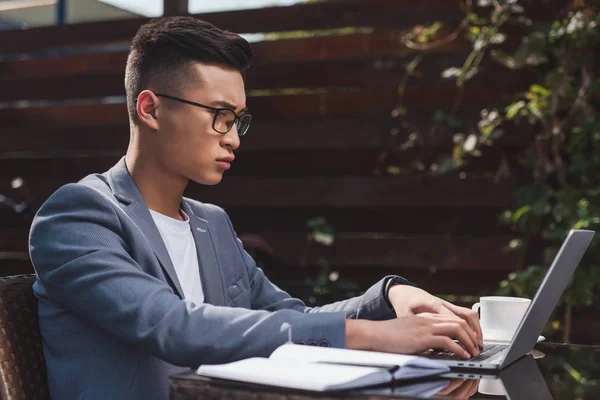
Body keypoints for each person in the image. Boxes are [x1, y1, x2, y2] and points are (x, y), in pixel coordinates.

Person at [29, 16, 483, 400]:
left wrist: (390, 299)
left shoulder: (212, 223)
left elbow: (296, 319)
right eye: (219, 116)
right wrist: (369, 337)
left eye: (238, 119)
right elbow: (171, 325)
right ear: (150, 109)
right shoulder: (78, 216)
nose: (233, 137)